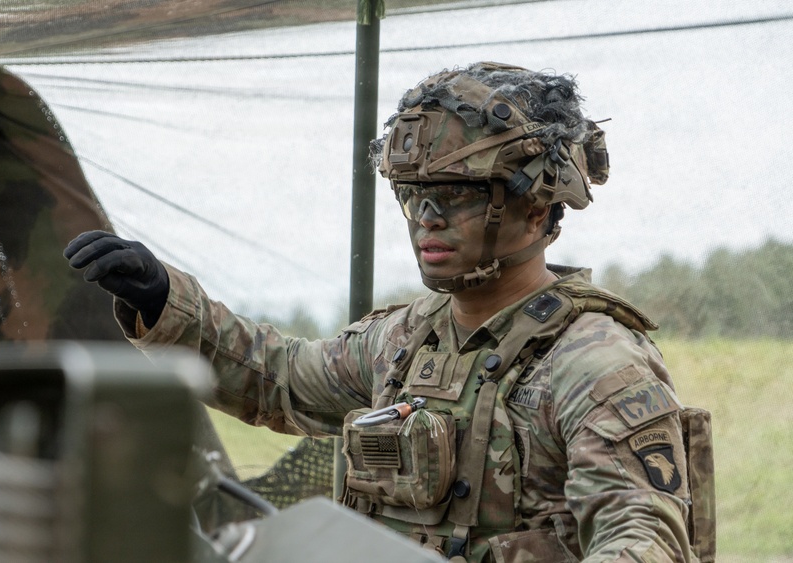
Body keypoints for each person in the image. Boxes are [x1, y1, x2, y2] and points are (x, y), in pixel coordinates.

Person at [64, 62, 699, 562]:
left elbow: (642, 535)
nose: (427, 220)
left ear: (537, 210)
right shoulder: (405, 339)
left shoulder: (595, 360)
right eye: (413, 196)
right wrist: (162, 299)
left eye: (454, 195)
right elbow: (279, 379)